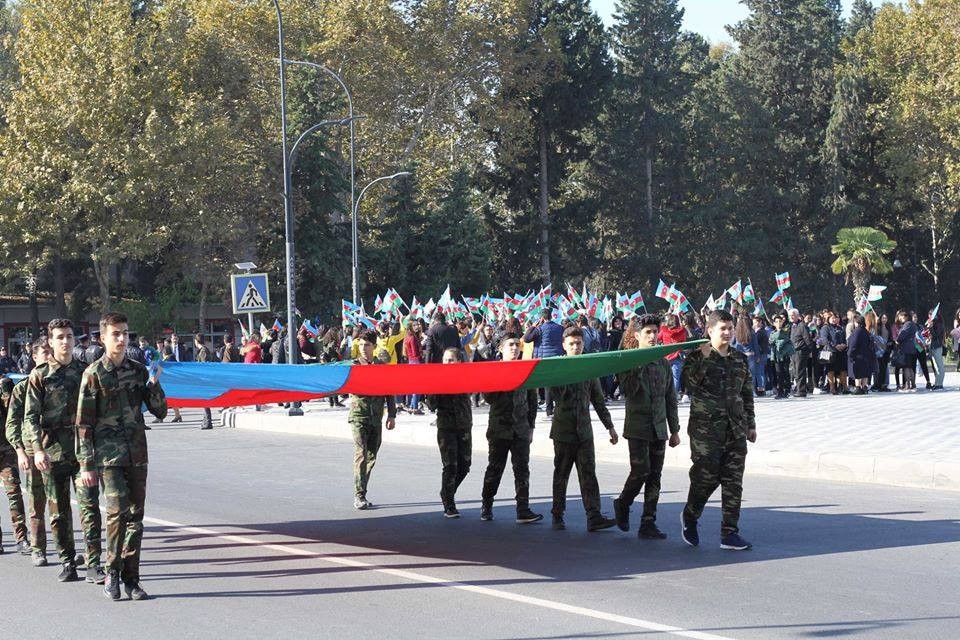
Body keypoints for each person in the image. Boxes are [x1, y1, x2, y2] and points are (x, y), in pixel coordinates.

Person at [76, 312, 167, 601]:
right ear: (103, 338)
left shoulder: (139, 370)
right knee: (116, 514)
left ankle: (132, 579)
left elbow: (160, 411)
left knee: (135, 519)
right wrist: (85, 465)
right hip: (108, 458)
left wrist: (154, 383)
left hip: (137, 454)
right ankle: (111, 573)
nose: (122, 338)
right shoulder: (93, 374)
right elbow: (83, 424)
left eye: (125, 333)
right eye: (115, 333)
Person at [23, 318, 104, 583]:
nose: (66, 342)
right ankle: (68, 561)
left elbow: (98, 411)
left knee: (90, 509)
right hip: (53, 452)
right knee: (59, 513)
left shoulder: (87, 372)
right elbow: (30, 417)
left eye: (69, 336)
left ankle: (93, 564)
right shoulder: (40, 375)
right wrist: (37, 450)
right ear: (51, 341)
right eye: (60, 337)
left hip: (83, 453)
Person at [680, 310, 757, 551]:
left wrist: (751, 424)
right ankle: (690, 516)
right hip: (706, 430)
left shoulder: (740, 359)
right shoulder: (697, 357)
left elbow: (746, 393)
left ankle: (729, 533)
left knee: (733, 481)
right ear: (710, 330)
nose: (728, 332)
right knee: (705, 479)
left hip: (735, 428)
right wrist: (706, 357)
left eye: (730, 328)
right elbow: (688, 386)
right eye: (722, 328)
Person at [613, 315, 680, 539]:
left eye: (654, 332)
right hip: (638, 427)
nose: (652, 337)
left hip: (659, 427)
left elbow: (670, 397)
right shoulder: (628, 361)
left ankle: (648, 521)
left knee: (655, 476)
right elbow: (628, 390)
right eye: (648, 333)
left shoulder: (663, 362)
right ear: (637, 336)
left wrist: (675, 429)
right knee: (641, 471)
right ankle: (623, 503)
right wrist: (638, 364)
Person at [548, 326, 619, 532]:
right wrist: (569, 373)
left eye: (578, 343)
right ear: (564, 346)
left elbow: (598, 400)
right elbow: (557, 396)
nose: (576, 347)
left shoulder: (589, 368)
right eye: (571, 344)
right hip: (563, 432)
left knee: (589, 475)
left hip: (584, 432)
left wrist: (610, 427)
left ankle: (594, 516)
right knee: (561, 475)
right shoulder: (557, 368)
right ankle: (557, 514)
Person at [480, 333, 542, 524]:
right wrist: (503, 378)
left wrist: (531, 427)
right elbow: (488, 398)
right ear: (501, 349)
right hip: (500, 429)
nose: (514, 348)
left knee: (522, 470)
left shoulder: (526, 369)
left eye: (517, 345)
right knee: (495, 469)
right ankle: (487, 505)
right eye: (510, 345)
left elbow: (532, 401)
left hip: (521, 429)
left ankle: (523, 509)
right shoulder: (494, 369)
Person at [5, 339, 52, 565]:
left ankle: (24, 538)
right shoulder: (21, 387)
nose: (48, 355)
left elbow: (10, 419)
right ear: (34, 356)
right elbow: (14, 420)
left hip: (49, 449)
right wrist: (22, 450)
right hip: (30, 450)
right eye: (44, 352)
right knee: (35, 500)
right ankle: (34, 545)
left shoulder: (11, 386)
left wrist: (17, 449)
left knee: (17, 493)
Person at [348, 330, 397, 510]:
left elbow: (389, 391)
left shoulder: (381, 367)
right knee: (361, 453)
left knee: (372, 456)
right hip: (358, 416)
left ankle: (362, 490)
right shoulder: (352, 366)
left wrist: (392, 414)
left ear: (374, 347)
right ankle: (359, 494)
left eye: (367, 345)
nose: (363, 348)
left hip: (376, 417)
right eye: (360, 344)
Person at [424, 347, 472, 517]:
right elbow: (431, 405)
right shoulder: (438, 379)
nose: (448, 363)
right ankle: (449, 503)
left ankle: (447, 492)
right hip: (447, 427)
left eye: (451, 360)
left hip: (464, 426)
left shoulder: (467, 376)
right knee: (450, 466)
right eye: (445, 360)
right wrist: (437, 386)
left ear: (459, 361)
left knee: (465, 466)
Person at [0, 376, 29, 555]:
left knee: (14, 493)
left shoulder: (4, 384)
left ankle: (21, 538)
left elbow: (12, 414)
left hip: (6, 450)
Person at [523, 308, 565, 415]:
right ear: (551, 316)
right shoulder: (560, 328)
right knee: (558, 383)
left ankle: (549, 410)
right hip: (558, 358)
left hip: (544, 359)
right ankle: (560, 407)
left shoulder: (539, 329)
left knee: (548, 386)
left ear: (541, 318)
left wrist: (533, 326)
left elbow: (526, 338)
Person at [658, 313, 689, 402]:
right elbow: (684, 342)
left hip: (666, 357)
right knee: (675, 378)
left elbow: (658, 338)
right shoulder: (682, 331)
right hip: (677, 356)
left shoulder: (664, 330)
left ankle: (664, 396)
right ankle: (673, 397)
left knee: (664, 377)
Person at [818, 312, 848, 395]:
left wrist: (844, 345)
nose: (834, 319)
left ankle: (845, 387)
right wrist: (835, 346)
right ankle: (832, 388)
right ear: (828, 319)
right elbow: (825, 340)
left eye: (835, 318)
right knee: (831, 370)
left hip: (841, 352)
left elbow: (844, 338)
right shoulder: (825, 328)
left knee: (843, 370)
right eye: (832, 318)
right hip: (831, 352)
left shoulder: (840, 328)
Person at [847, 313, 876, 394]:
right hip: (866, 355)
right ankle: (864, 387)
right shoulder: (866, 331)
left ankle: (858, 387)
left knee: (858, 372)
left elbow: (853, 343)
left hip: (858, 355)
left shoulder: (857, 331)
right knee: (865, 372)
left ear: (856, 322)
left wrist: (850, 353)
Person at [769, 314, 794, 399]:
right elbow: (770, 342)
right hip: (776, 356)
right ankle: (780, 391)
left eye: (780, 321)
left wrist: (780, 345)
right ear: (774, 323)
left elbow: (789, 343)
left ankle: (787, 390)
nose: (778, 323)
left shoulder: (786, 331)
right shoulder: (772, 333)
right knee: (778, 373)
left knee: (785, 372)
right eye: (776, 322)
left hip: (784, 355)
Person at [789, 308, 813, 397]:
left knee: (800, 371)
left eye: (793, 315)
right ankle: (799, 389)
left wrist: (809, 350)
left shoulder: (802, 325)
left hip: (801, 351)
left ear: (797, 316)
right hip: (793, 352)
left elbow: (807, 338)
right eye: (790, 315)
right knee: (795, 372)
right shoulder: (792, 325)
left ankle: (801, 391)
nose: (791, 317)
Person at [403, 319, 425, 415]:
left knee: (415, 386)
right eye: (415, 325)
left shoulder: (408, 337)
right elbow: (415, 353)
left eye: (417, 325)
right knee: (418, 386)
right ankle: (415, 407)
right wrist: (422, 353)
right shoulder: (412, 338)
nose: (417, 326)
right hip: (416, 362)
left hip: (411, 361)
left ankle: (412, 406)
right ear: (411, 327)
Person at [894, 310, 918, 392]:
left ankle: (908, 385)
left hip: (906, 348)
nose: (900, 319)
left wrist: (897, 340)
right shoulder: (912, 324)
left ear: (905, 317)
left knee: (906, 367)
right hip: (911, 348)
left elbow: (902, 336)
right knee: (910, 366)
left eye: (901, 317)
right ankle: (913, 384)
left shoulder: (907, 324)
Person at [194, 333, 214, 430]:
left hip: (204, 379)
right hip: (202, 378)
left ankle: (208, 421)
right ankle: (206, 420)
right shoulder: (202, 350)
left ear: (197, 341)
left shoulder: (204, 351)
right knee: (203, 400)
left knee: (205, 400)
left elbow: (205, 365)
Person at [927, 310, 946, 390]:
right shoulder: (934, 324)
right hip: (933, 347)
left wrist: (930, 328)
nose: (930, 316)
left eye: (931, 314)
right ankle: (937, 383)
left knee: (939, 366)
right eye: (929, 315)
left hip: (937, 346)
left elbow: (936, 336)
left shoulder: (939, 324)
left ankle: (939, 384)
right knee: (935, 366)